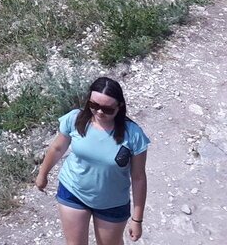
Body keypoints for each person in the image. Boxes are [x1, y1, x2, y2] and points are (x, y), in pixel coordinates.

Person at [34, 76, 149, 245]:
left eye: (107, 109)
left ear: (120, 107)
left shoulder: (133, 135)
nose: (100, 112)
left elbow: (139, 177)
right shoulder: (75, 119)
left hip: (112, 202)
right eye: (94, 105)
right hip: (73, 191)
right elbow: (57, 148)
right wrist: (42, 174)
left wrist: (137, 220)